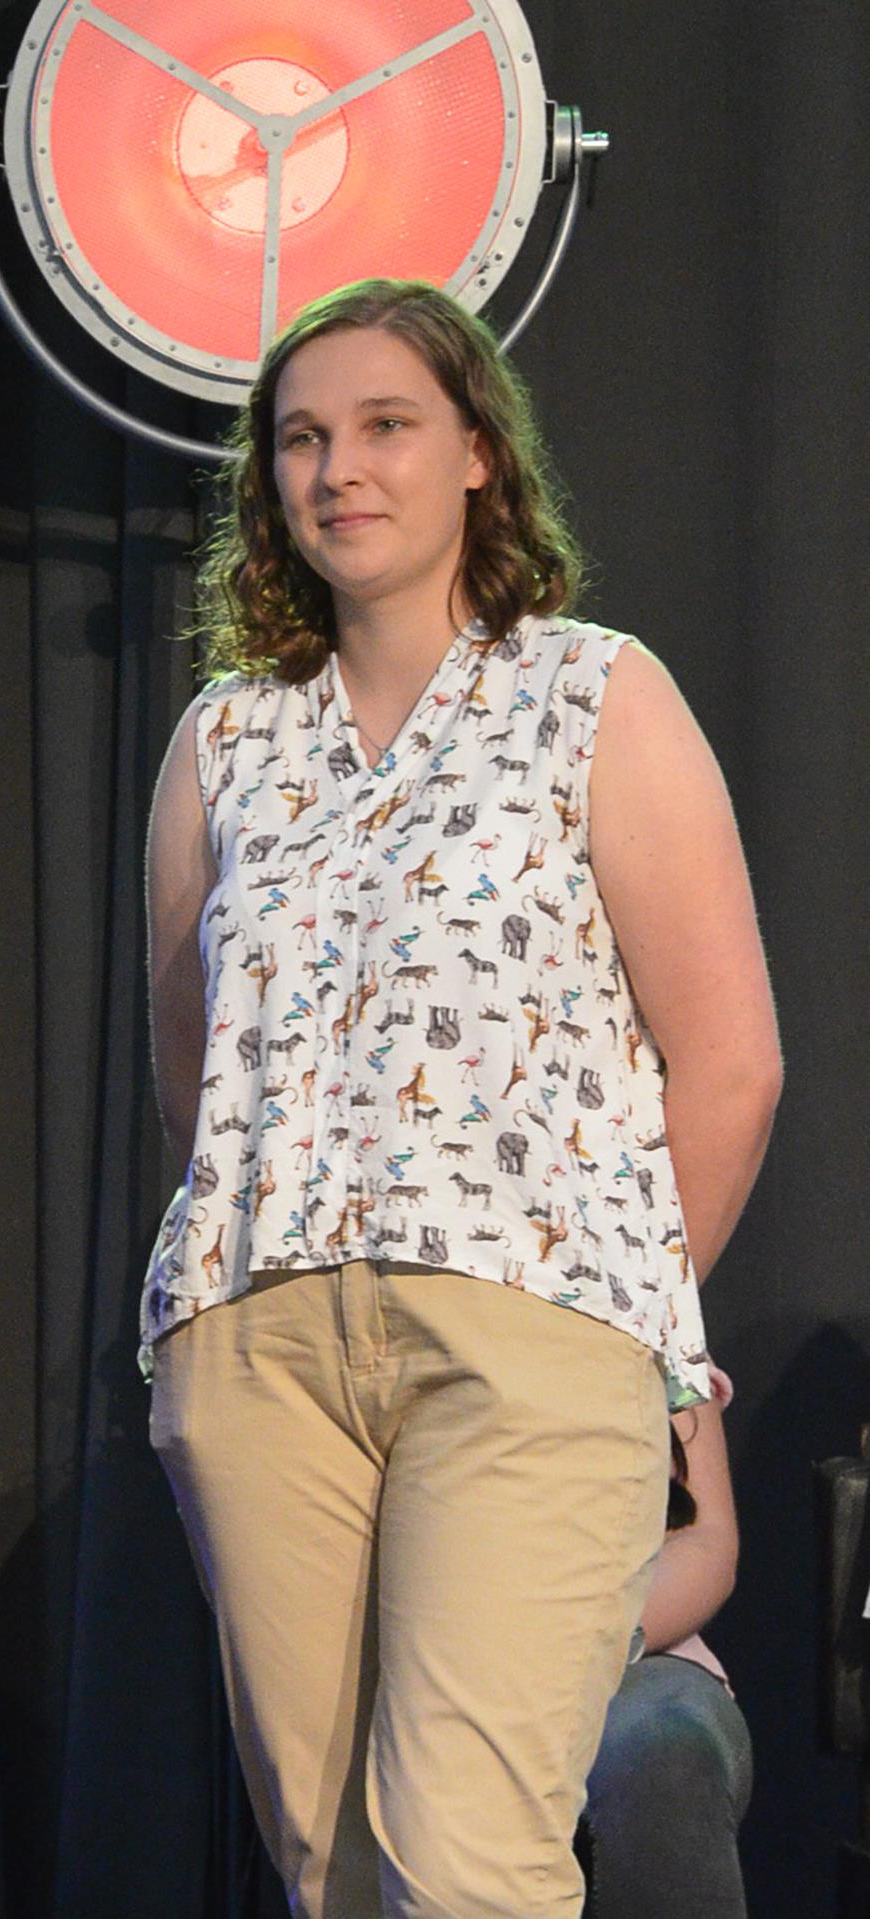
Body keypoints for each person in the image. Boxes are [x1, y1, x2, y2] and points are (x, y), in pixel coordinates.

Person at [142, 279, 780, 1916]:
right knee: (336, 1870)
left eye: (382, 425)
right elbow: (191, 1072)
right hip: (260, 1340)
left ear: (477, 452)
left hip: (527, 1333)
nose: (336, 469)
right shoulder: (222, 739)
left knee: (468, 1866)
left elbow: (727, 1060)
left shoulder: (590, 691)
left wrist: (613, 1311)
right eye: (299, 438)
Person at [581, 1366, 751, 1916]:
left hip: (633, 1649)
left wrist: (589, 1646)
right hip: (439, 1655)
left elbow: (705, 1541)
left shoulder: (657, 1327)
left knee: (660, 1743)